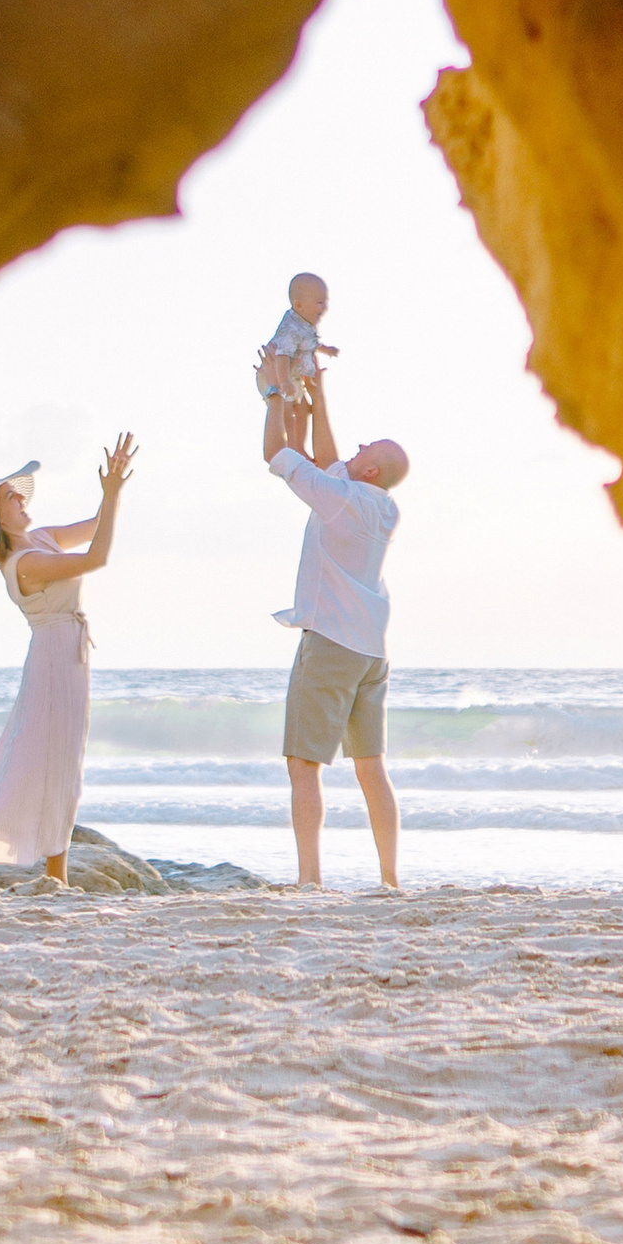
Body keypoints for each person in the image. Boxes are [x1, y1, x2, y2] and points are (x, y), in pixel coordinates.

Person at [0, 431, 134, 894]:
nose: (20, 498)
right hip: (52, 659)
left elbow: (94, 526)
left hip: (69, 655)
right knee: (34, 761)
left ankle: (55, 873)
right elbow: (97, 557)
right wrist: (110, 496)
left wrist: (113, 492)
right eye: (10, 496)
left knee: (64, 763)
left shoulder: (43, 538)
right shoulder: (24, 564)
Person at [264, 371, 406, 889]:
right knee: (372, 768)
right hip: (372, 651)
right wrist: (317, 395)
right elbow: (327, 461)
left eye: (367, 447)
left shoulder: (341, 498)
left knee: (303, 765)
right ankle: (390, 879)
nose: (358, 445)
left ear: (369, 468)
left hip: (331, 643)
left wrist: (273, 393)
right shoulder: (383, 506)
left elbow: (277, 454)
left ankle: (309, 881)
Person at [255, 269, 335, 458]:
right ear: (299, 305)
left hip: (292, 376)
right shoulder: (290, 328)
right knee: (289, 411)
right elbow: (282, 356)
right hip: (275, 374)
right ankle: (293, 447)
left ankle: (299, 446)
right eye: (319, 302)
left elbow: (310, 343)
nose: (324, 308)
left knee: (303, 410)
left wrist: (326, 350)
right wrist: (283, 383)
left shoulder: (305, 324)